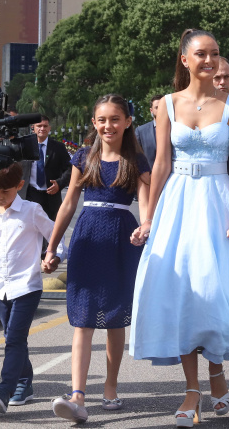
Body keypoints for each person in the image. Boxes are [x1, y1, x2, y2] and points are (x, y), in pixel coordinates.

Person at [129, 29, 229, 427]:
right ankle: (191, 388)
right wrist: (149, 216)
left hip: (219, 202)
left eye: (215, 54)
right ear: (184, 59)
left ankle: (216, 370)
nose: (210, 60)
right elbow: (162, 164)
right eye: (201, 54)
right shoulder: (167, 105)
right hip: (179, 203)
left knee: (214, 290)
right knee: (182, 289)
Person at [41, 94, 151, 423]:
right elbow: (68, 205)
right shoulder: (82, 158)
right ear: (94, 123)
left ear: (128, 122)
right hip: (86, 239)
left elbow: (145, 204)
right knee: (84, 318)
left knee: (115, 319)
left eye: (115, 119)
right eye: (102, 119)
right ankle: (77, 395)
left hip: (122, 240)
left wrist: (146, 226)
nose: (108, 125)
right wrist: (52, 248)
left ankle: (111, 384)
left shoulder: (138, 160)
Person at [0, 163, 64, 413]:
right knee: (16, 339)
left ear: (19, 186)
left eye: (5, 191)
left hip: (27, 286)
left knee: (13, 339)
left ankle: (5, 390)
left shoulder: (31, 210)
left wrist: (53, 256)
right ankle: (25, 383)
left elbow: (55, 234)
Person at [18, 116, 72, 221]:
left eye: (45, 126)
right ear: (33, 127)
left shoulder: (58, 147)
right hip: (29, 195)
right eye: (39, 126)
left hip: (50, 196)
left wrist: (59, 183)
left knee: (50, 231)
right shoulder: (24, 146)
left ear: (49, 128)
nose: (42, 129)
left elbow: (70, 169)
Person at [134, 94, 163, 168]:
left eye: (163, 107)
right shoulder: (141, 131)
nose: (160, 110)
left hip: (173, 176)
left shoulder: (176, 129)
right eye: (157, 107)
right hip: (149, 176)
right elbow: (135, 156)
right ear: (151, 110)